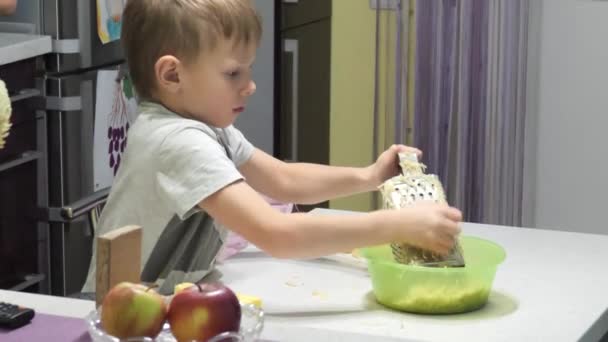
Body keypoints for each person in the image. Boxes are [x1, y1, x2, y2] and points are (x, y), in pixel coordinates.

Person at [82, 0, 462, 295]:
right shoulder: (178, 142)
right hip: (123, 318)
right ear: (172, 74)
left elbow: (281, 178)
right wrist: (396, 226)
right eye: (233, 73)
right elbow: (275, 233)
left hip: (162, 303)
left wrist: (370, 176)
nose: (250, 86)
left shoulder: (204, 126)